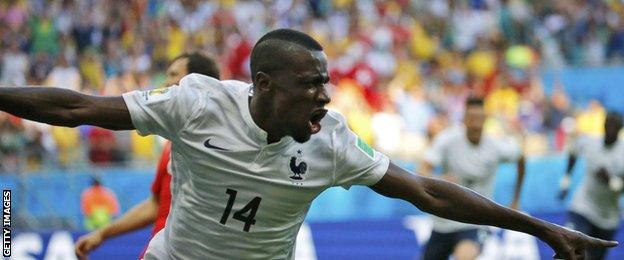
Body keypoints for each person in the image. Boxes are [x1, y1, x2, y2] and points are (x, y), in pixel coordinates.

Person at [0, 28, 616, 260]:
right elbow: (77, 105)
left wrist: (542, 229)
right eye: (310, 86)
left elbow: (428, 191)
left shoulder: (332, 142)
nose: (325, 98)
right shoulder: (196, 103)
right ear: (264, 86)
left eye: (328, 84)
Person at [74, 52, 220, 258]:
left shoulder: (224, 145)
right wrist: (103, 233)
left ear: (198, 83)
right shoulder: (172, 144)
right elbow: (156, 204)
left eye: (174, 75)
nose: (167, 82)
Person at [420, 97, 526, 260]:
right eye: (471, 118)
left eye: (479, 118)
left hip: (476, 220)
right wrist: (440, 179)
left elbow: (520, 158)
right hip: (444, 222)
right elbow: (423, 170)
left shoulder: (495, 145)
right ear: (464, 119)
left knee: (464, 257)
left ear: (485, 119)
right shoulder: (447, 140)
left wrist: (516, 199)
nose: (475, 123)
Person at [559, 111, 624, 260]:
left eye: (614, 126)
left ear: (621, 129)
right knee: (570, 250)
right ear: (603, 124)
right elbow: (573, 152)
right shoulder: (590, 142)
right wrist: (565, 181)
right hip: (583, 207)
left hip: (607, 217)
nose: (610, 129)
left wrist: (612, 181)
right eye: (608, 124)